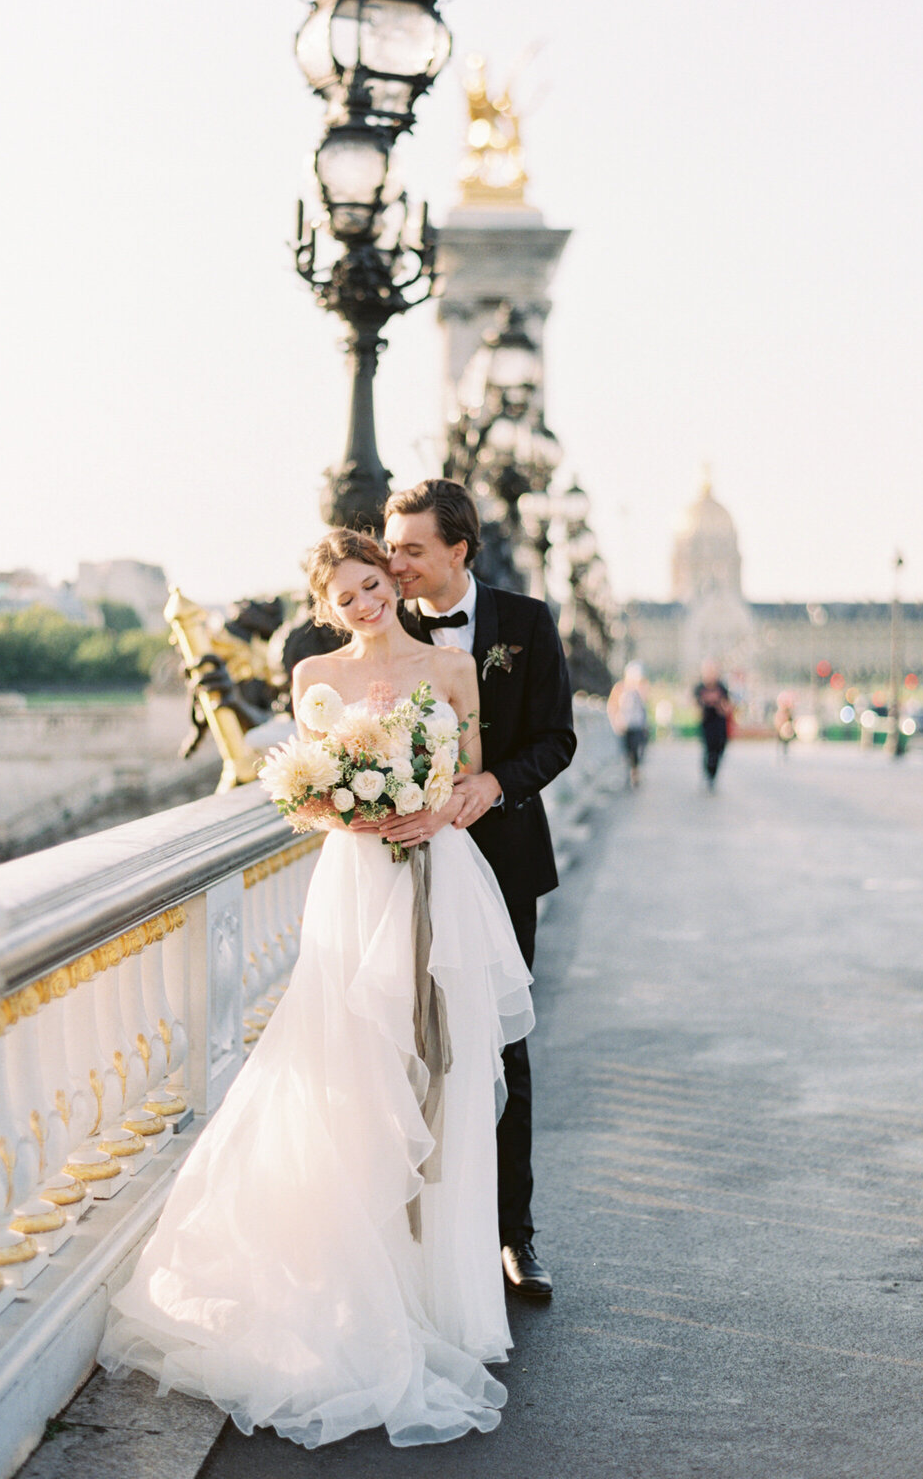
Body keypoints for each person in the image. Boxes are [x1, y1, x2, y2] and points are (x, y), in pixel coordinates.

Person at [99, 529, 535, 1447]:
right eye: (344, 596)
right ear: (325, 606)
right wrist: (356, 802)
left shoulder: (450, 671)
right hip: (355, 883)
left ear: (390, 580)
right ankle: (359, 1282)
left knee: (444, 1073)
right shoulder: (312, 680)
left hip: (438, 876)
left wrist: (430, 804)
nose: (364, 603)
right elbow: (300, 796)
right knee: (351, 1068)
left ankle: (441, 1299)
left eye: (372, 584)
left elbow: (464, 775)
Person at [382, 479, 576, 1300]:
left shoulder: (526, 623)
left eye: (411, 549)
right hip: (400, 873)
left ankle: (512, 1236)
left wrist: (495, 783)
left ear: (459, 550)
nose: (393, 565)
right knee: (400, 1046)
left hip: (501, 864)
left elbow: (557, 738)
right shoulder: (376, 623)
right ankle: (411, 1233)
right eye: (388, 547)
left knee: (500, 1048)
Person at [607, 662, 650, 786]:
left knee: (636, 750)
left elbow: (645, 705)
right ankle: (627, 773)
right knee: (626, 751)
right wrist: (615, 722)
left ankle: (635, 773)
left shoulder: (640, 688)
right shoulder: (619, 688)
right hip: (624, 725)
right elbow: (612, 706)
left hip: (637, 725)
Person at [695, 661, 733, 790]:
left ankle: (713, 772)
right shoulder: (700, 688)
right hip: (707, 723)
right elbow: (694, 704)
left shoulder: (722, 687)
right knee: (709, 750)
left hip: (719, 723)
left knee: (719, 749)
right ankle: (709, 773)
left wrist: (721, 706)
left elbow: (728, 705)